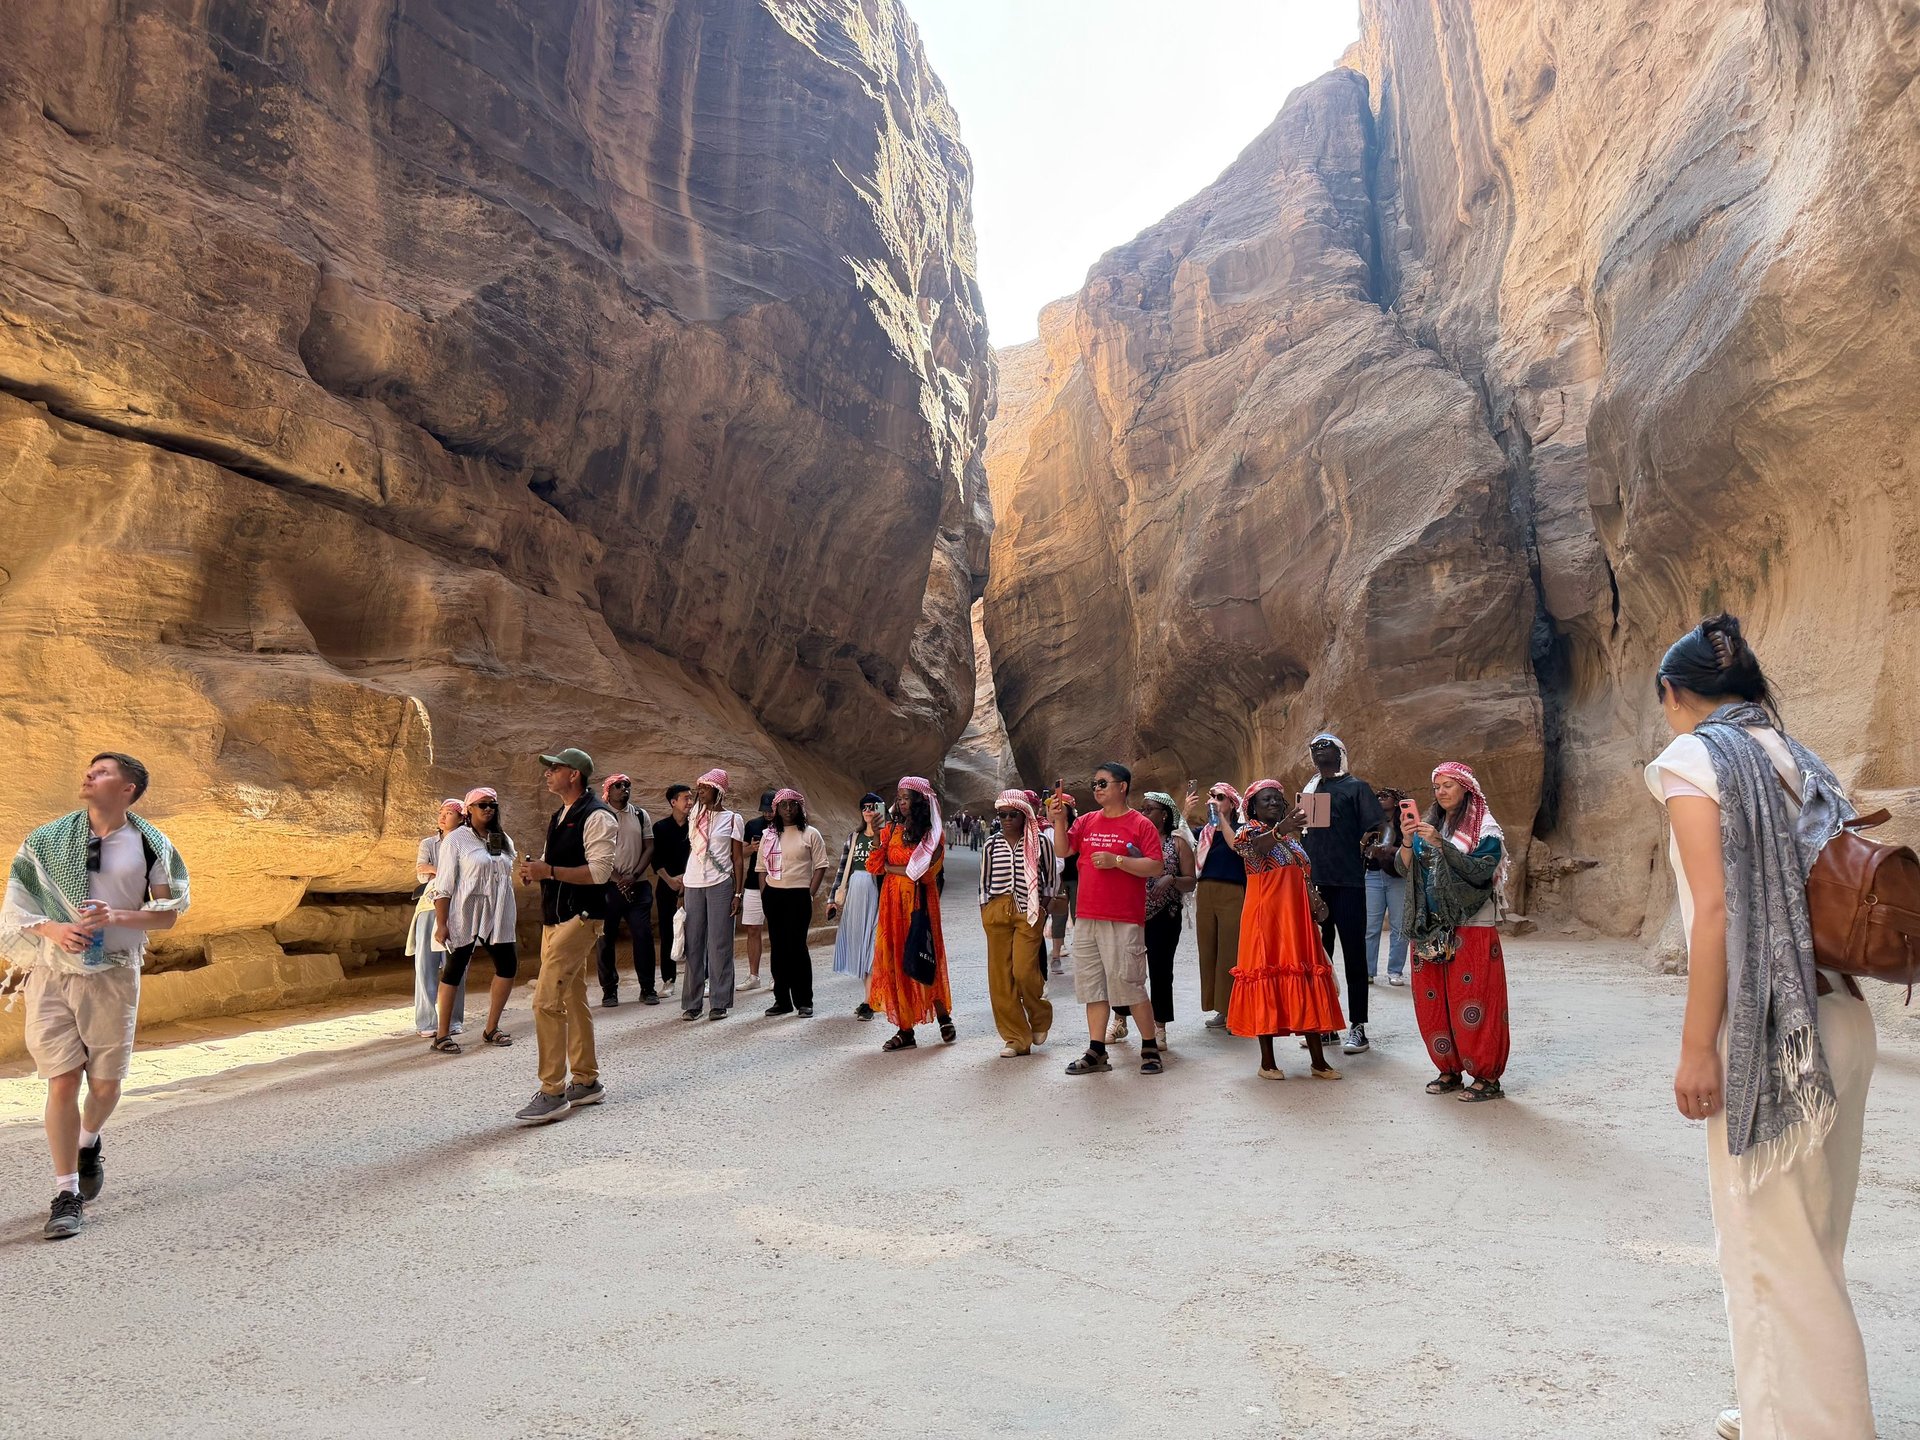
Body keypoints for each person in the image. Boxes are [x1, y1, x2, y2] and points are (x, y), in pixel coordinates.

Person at [1646, 614, 1877, 1440]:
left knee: (1776, 1253)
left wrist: (1697, 1049)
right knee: (1810, 1241)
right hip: (1840, 1016)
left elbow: (1715, 912)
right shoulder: (1796, 757)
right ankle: (1772, 1406)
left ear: (1674, 693)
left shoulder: (1692, 759)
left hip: (1774, 1031)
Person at [2, 752, 190, 1240]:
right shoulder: (46, 839)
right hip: (51, 973)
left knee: (104, 1087)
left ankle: (88, 1142)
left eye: (103, 772)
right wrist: (54, 929)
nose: (90, 774)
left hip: (114, 974)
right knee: (63, 1081)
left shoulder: (150, 844)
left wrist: (116, 916)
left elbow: (168, 913)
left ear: (128, 789)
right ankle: (66, 1194)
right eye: (90, 768)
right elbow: (17, 906)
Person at [512, 748, 617, 1125]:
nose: (548, 773)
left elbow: (600, 873)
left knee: (545, 1001)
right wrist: (535, 872)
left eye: (554, 768)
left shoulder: (598, 816)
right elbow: (552, 866)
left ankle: (552, 1091)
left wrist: (550, 871)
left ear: (574, 774)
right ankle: (586, 1081)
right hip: (555, 919)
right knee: (572, 998)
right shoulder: (561, 815)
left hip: (580, 918)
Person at [1402, 762, 1510, 1104]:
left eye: (1448, 785)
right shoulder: (1432, 826)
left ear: (1466, 788)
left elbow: (1481, 872)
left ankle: (1486, 1076)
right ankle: (1448, 1068)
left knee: (1473, 999)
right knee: (1433, 1000)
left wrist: (1442, 846)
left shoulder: (1485, 830)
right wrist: (1408, 841)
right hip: (1430, 924)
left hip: (1471, 925)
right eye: (1437, 787)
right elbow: (1405, 869)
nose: (1441, 792)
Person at [1049, 763, 1166, 1076]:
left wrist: (1117, 861)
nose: (1097, 789)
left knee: (1130, 984)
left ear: (1122, 786)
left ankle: (1149, 1046)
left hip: (1123, 917)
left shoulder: (1140, 824)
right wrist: (1059, 820)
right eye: (1094, 784)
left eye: (1103, 783)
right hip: (1087, 916)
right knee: (1093, 987)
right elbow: (1063, 850)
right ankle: (1096, 1050)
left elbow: (1155, 866)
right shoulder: (1087, 821)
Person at [1225, 780, 1344, 1080]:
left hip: (1297, 918)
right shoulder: (1248, 831)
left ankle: (1318, 1062)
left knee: (1305, 975)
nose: (1274, 803)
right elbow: (1254, 849)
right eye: (1266, 799)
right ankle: (1267, 1063)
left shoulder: (1292, 839)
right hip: (1266, 917)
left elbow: (1302, 874)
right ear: (1253, 806)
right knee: (1265, 975)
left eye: (1278, 799)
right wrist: (1281, 829)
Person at [1301, 732, 1387, 1056]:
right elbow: (1308, 837)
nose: (1320, 751)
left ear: (1340, 753)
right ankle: (1326, 1024)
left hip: (1349, 882)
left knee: (1353, 955)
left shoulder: (1356, 788)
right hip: (1317, 884)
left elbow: (1379, 825)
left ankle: (1358, 1026)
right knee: (1320, 957)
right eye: (1315, 748)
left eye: (1326, 746)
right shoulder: (1311, 791)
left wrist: (1375, 848)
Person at [866, 777, 955, 1051]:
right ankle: (905, 1030)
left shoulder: (932, 835)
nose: (902, 803)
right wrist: (877, 837)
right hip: (892, 903)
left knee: (925, 954)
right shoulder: (891, 830)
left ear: (919, 802)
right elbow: (875, 866)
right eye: (900, 798)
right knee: (897, 961)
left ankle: (943, 1016)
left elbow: (925, 874)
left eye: (907, 798)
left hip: (919, 903)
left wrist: (893, 868)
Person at [429, 787, 520, 1053]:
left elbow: (505, 871)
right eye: (482, 805)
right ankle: (442, 1035)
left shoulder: (501, 838)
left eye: (492, 804)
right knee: (455, 968)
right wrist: (442, 923)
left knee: (508, 966)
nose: (488, 809)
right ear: (469, 809)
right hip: (466, 910)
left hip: (498, 910)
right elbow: (444, 885)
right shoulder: (456, 839)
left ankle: (491, 1028)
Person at [978, 789, 1056, 1056]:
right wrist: (985, 911)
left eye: (1013, 814)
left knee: (1024, 971)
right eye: (1002, 815)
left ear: (1025, 815)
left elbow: (1051, 879)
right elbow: (984, 882)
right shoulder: (991, 844)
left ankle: (1039, 1016)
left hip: (1029, 910)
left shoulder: (1040, 841)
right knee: (1000, 977)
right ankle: (1016, 1038)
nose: (1007, 819)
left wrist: (1043, 907)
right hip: (996, 910)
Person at [1115, 791, 1195, 1043]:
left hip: (1165, 915)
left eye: (1149, 809)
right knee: (1126, 968)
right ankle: (1119, 1020)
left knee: (1161, 970)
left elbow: (1191, 881)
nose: (1144, 813)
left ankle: (1159, 1027)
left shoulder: (1178, 843)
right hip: (1132, 911)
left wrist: (1171, 879)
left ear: (1165, 815)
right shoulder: (1133, 840)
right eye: (1142, 809)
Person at [759, 788, 830, 1018]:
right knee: (778, 948)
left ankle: (804, 1001)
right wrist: (765, 894)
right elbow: (761, 868)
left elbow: (821, 865)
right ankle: (782, 1001)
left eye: (792, 805)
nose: (788, 809)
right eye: (783, 805)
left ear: (799, 807)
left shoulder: (810, 834)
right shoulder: (769, 835)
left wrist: (810, 893)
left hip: (799, 895)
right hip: (774, 895)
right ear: (776, 809)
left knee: (797, 948)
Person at [680, 769, 745, 1021]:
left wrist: (738, 893)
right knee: (694, 943)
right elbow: (694, 851)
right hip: (693, 883)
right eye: (700, 788)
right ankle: (692, 1003)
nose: (701, 792)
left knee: (720, 944)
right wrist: (683, 886)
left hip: (720, 884)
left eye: (706, 788)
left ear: (718, 791)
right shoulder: (695, 815)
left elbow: (737, 859)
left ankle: (719, 1002)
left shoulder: (732, 819)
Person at [1184, 781, 1248, 1030]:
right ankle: (1221, 1007)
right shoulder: (1204, 833)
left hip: (1232, 892)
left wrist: (1221, 819)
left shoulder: (1241, 829)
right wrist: (1185, 812)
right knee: (1209, 950)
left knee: (1230, 951)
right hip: (1206, 892)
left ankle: (1234, 1008)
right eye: (1211, 796)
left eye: (1220, 797)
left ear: (1231, 803)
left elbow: (1237, 846)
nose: (1213, 800)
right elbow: (1179, 840)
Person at [408, 798, 468, 1037]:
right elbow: (422, 873)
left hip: (457, 908)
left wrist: (435, 869)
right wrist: (443, 872)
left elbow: (467, 876)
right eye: (441, 812)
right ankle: (426, 1022)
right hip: (428, 907)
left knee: (457, 966)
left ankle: (453, 1020)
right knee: (425, 965)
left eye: (449, 813)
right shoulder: (428, 843)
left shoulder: (467, 843)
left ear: (462, 818)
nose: (442, 817)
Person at [595, 774, 655, 1006]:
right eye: (618, 786)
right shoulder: (599, 816)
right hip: (608, 887)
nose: (624, 789)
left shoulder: (640, 815)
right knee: (605, 938)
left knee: (643, 935)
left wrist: (633, 876)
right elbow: (595, 852)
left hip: (637, 884)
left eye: (627, 785)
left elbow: (649, 847)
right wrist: (619, 879)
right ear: (608, 791)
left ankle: (647, 988)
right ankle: (609, 990)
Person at [829, 793, 887, 1017]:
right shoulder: (854, 837)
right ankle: (869, 998)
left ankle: (870, 1001)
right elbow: (843, 870)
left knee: (873, 945)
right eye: (864, 807)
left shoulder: (887, 837)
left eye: (873, 807)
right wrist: (833, 900)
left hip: (878, 893)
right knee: (861, 944)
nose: (868, 811)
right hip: (856, 893)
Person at [1363, 785, 1411, 985]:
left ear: (1397, 801)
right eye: (1378, 796)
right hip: (1373, 875)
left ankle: (1395, 971)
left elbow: (1412, 847)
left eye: (1386, 795)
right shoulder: (1370, 821)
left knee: (1399, 926)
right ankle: (1368, 971)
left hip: (1398, 876)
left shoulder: (1405, 822)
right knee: (1370, 926)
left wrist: (1389, 850)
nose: (1380, 798)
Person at [652, 784, 693, 993]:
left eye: (691, 798)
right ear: (673, 802)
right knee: (667, 933)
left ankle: (699, 979)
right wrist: (669, 880)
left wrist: (687, 879)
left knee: (696, 932)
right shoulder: (660, 827)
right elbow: (656, 858)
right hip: (667, 885)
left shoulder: (695, 826)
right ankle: (669, 980)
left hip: (693, 884)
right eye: (686, 798)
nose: (690, 802)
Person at [738, 790, 776, 992]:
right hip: (753, 882)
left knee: (777, 930)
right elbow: (740, 853)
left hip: (777, 882)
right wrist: (752, 848)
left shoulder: (785, 825)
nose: (768, 814)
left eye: (771, 810)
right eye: (765, 810)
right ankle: (754, 976)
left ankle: (778, 975)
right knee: (753, 929)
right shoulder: (753, 825)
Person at [1047, 793, 1079, 974]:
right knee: (1058, 916)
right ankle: (1056, 956)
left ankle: (1081, 956)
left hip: (1076, 878)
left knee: (1078, 915)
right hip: (1059, 879)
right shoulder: (1049, 829)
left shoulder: (1078, 826)